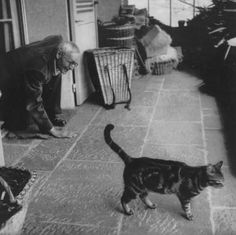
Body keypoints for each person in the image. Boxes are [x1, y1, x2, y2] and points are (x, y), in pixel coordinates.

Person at [0, 35, 80, 138]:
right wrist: (52, 130)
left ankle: (51, 115)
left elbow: (55, 38)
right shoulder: (39, 68)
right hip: (7, 74)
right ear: (59, 54)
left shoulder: (58, 45)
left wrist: (51, 116)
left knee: (58, 72)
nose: (72, 68)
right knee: (19, 124)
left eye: (75, 64)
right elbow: (34, 102)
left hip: (24, 68)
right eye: (71, 63)